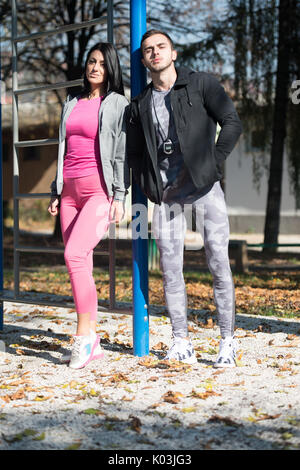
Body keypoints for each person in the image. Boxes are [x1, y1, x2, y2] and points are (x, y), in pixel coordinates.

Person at [127, 30, 243, 367]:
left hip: (206, 189)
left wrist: (213, 161)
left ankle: (227, 341)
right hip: (166, 197)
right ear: (144, 59)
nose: (155, 53)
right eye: (148, 50)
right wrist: (148, 185)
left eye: (161, 47)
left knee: (219, 263)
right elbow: (134, 153)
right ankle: (181, 342)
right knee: (170, 270)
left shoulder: (201, 84)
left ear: (173, 53)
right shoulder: (140, 104)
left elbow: (231, 123)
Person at [48, 42, 129, 369]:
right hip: (69, 193)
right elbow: (63, 149)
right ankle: (92, 340)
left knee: (74, 255)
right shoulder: (72, 102)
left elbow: (121, 153)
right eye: (91, 61)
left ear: (111, 68)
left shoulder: (117, 104)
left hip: (99, 192)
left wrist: (120, 197)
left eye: (102, 63)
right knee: (79, 263)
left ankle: (82, 338)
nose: (95, 67)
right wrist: (56, 191)